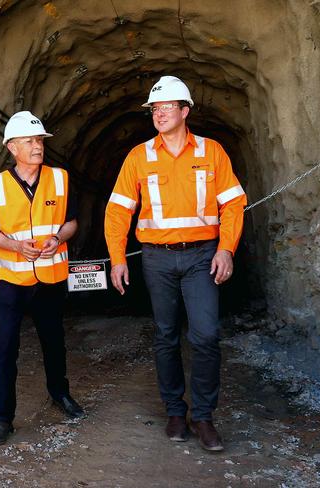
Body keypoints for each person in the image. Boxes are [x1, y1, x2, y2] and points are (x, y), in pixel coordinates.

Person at [104, 76, 246, 452]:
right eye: (154, 108)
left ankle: (203, 416)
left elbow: (232, 203)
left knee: (205, 335)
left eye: (166, 106)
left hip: (203, 256)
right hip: (156, 258)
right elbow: (118, 212)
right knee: (166, 335)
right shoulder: (139, 156)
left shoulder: (212, 151)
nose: (159, 113)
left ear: (185, 111)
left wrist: (226, 249)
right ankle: (173, 411)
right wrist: (118, 258)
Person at [0, 110, 84, 446]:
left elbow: (71, 222)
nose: (38, 146)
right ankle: (2, 419)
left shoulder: (60, 179)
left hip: (50, 277)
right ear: (12, 147)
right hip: (12, 280)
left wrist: (59, 238)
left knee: (54, 341)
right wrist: (13, 245)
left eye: (40, 140)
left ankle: (60, 394)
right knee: (5, 347)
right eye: (30, 141)